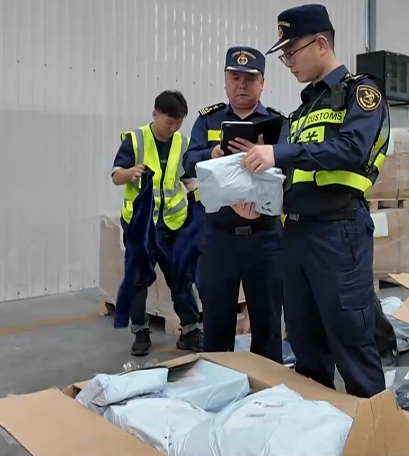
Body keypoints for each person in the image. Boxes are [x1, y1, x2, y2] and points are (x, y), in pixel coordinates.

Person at [240, 4, 390, 398]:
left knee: (350, 337)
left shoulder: (361, 93)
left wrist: (278, 153)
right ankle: (319, 422)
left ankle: (375, 426)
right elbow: (288, 176)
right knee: (304, 339)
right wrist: (258, 203)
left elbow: (352, 149)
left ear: (321, 44)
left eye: (291, 51)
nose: (288, 62)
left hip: (338, 232)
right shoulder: (300, 113)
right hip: (294, 235)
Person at [183, 47, 285, 363]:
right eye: (235, 77)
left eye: (250, 78)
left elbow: (290, 171)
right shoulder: (208, 120)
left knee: (267, 325)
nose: (242, 85)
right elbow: (188, 162)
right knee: (216, 325)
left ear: (262, 82)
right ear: (225, 80)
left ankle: (267, 386)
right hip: (219, 238)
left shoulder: (278, 123)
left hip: (264, 237)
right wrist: (212, 154)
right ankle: (218, 380)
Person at [111, 90, 204, 356]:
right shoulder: (135, 140)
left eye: (178, 123)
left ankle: (190, 330)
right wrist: (130, 173)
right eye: (169, 122)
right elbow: (116, 176)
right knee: (138, 281)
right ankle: (140, 332)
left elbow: (189, 180)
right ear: (155, 114)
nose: (173, 128)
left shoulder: (183, 144)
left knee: (182, 278)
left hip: (174, 226)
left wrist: (202, 204)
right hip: (141, 227)